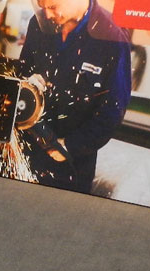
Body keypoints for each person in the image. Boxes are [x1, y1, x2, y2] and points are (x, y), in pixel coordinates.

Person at [16, 0, 131, 193]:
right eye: (43, 7)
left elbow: (112, 111)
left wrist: (71, 146)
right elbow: (21, 73)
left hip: (70, 166)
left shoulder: (112, 36)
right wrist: (27, 84)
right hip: (25, 149)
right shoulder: (39, 23)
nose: (47, 15)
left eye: (53, 7)